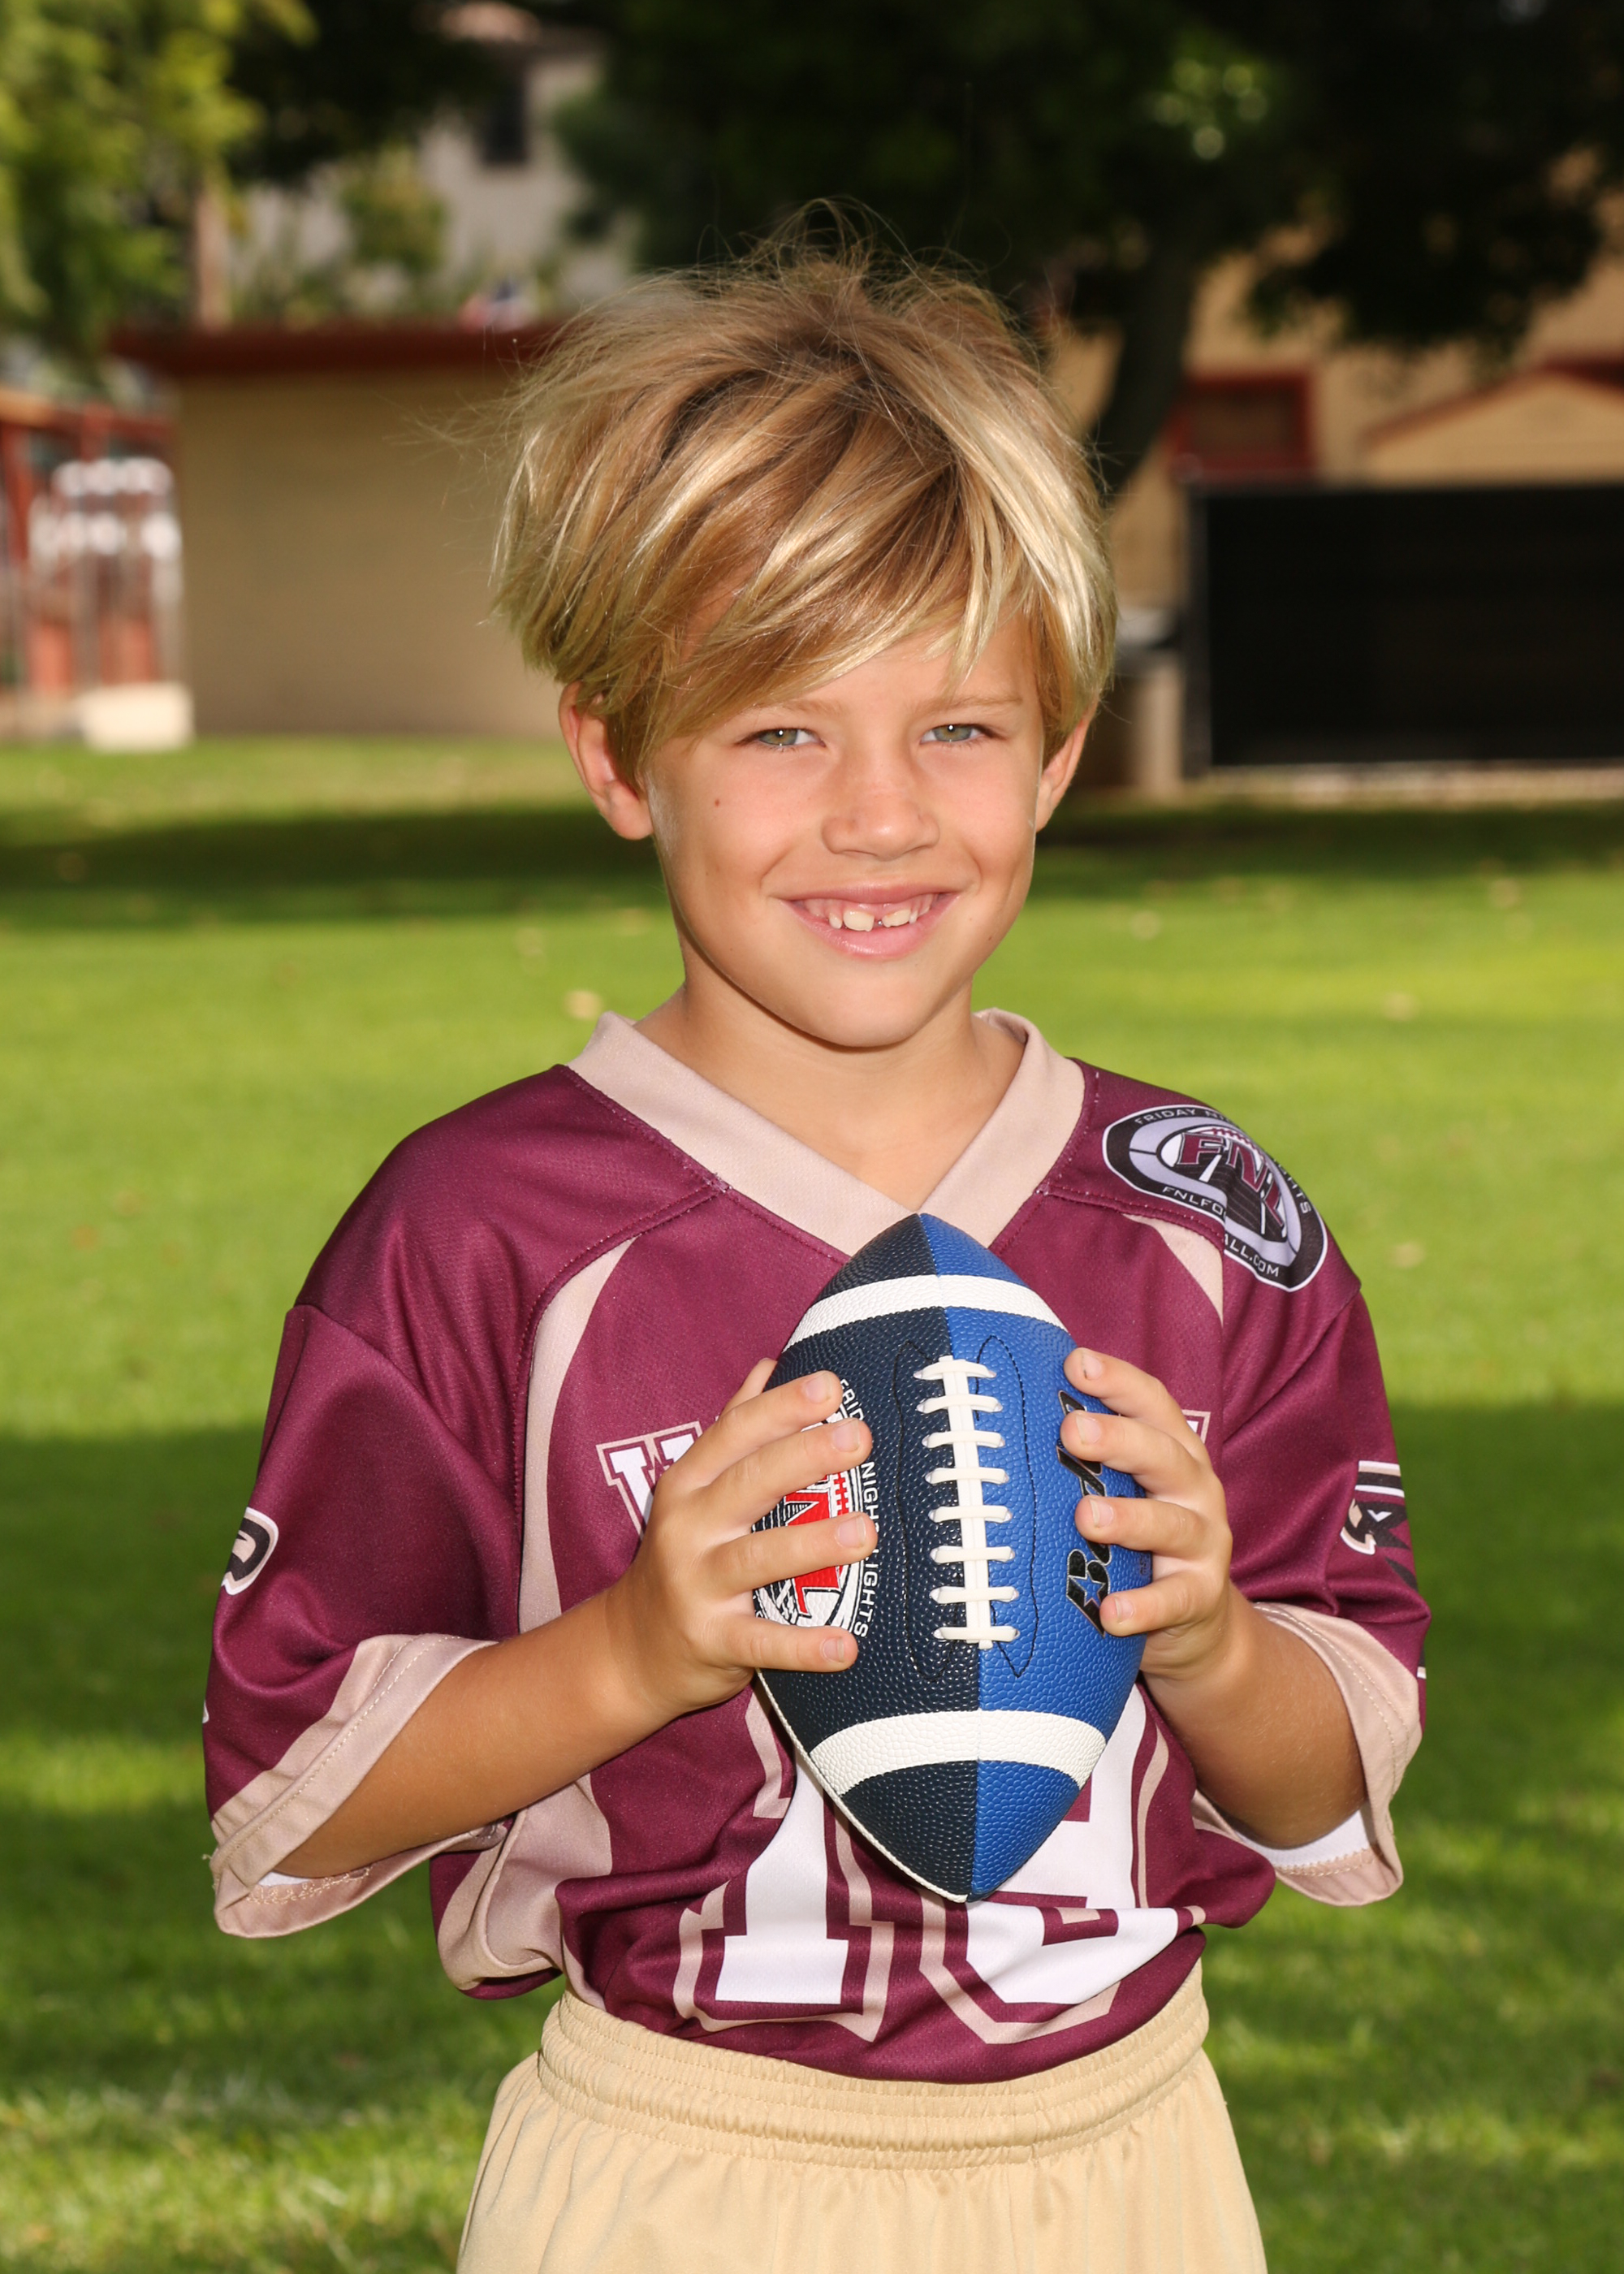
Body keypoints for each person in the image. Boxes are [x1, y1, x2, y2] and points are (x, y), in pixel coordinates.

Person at [204, 247, 1427, 2274]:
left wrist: (1211, 1639)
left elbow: (1322, 1798)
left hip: (1130, 2154)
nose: (877, 816)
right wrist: (633, 1650)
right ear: (620, 755)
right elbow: (292, 1802)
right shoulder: (480, 1227)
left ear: (1056, 751)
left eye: (957, 725)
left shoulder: (1205, 1222)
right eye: (780, 728)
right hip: (687, 2167)